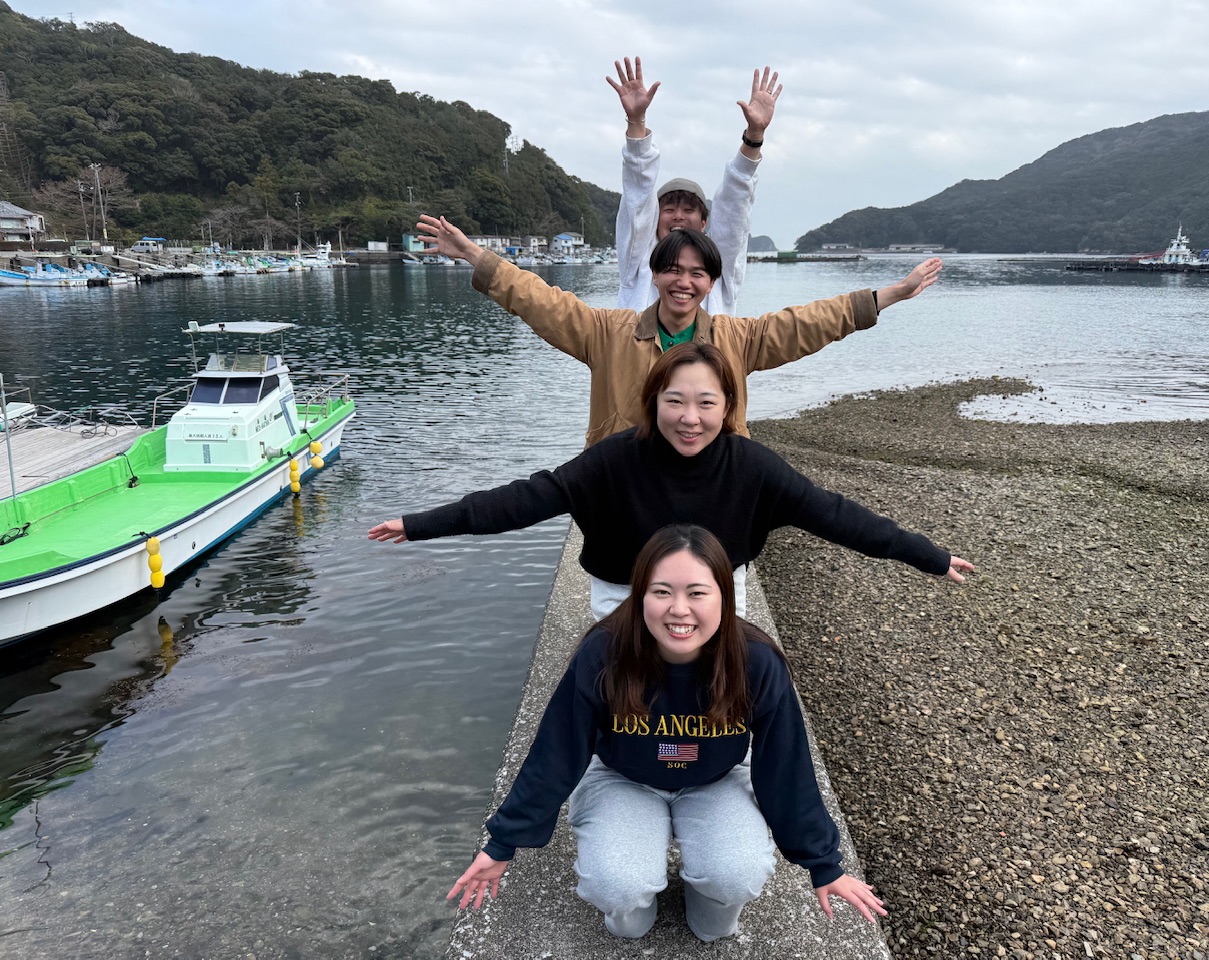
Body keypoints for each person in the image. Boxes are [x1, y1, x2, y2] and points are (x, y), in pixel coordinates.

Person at [446, 523, 889, 941]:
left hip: (715, 780)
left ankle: (708, 899)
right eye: (662, 592)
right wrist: (503, 842)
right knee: (619, 892)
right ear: (640, 595)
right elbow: (557, 750)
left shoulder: (755, 660)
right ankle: (632, 908)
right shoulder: (604, 653)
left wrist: (823, 863)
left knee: (732, 883)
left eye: (697, 592)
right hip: (623, 778)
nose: (679, 609)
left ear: (724, 596)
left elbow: (786, 764)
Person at [369, 341, 972, 620]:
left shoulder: (752, 467)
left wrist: (928, 555)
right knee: (622, 709)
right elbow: (527, 500)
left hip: (715, 598)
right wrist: (421, 524)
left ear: (728, 406)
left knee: (727, 710)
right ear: (653, 401)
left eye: (707, 403)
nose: (690, 418)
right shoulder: (613, 460)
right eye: (675, 401)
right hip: (625, 598)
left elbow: (836, 515)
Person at [416, 215, 942, 447]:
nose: (683, 282)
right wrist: (476, 256)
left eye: (696, 273)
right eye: (672, 270)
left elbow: (807, 324)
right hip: (627, 492)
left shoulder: (738, 340)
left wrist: (889, 295)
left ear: (711, 283)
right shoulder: (607, 332)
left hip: (709, 489)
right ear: (655, 275)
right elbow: (540, 301)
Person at [608, 55, 780, 314]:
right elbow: (637, 196)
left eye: (688, 210)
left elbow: (734, 209)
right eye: (668, 209)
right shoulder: (640, 264)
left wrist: (755, 135)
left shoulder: (719, 269)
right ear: (654, 219)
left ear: (704, 223)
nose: (678, 216)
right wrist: (636, 122)